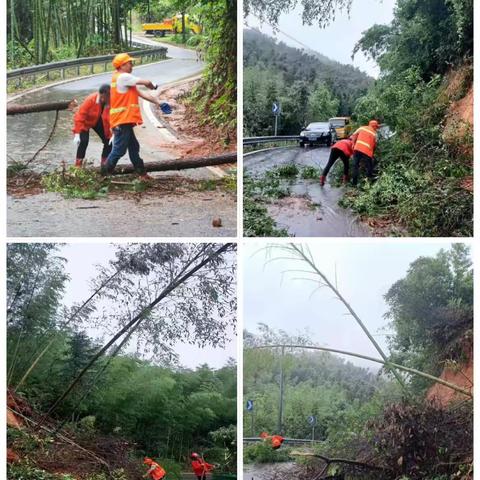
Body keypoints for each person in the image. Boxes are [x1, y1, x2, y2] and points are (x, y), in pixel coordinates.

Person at [103, 53, 171, 180]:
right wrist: (153, 85)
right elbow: (146, 82)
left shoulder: (123, 79)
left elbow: (142, 94)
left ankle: (142, 174)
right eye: (129, 63)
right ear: (122, 65)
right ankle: (104, 175)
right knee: (118, 151)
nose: (132, 65)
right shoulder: (123, 77)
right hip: (121, 121)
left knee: (134, 147)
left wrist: (159, 103)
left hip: (124, 120)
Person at [72, 84, 111, 168]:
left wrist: (113, 131)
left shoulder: (109, 100)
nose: (104, 100)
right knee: (84, 141)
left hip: (97, 120)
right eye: (102, 98)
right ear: (100, 94)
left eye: (107, 98)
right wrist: (77, 134)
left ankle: (104, 165)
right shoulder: (90, 99)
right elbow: (80, 116)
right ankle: (78, 166)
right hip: (85, 122)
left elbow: (110, 116)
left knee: (108, 141)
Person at [350, 120, 379, 186]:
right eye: (376, 127)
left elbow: (354, 135)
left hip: (357, 149)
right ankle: (368, 182)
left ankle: (354, 184)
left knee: (355, 166)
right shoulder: (375, 134)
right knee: (370, 166)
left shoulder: (362, 128)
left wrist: (353, 144)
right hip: (367, 151)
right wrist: (372, 153)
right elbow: (375, 145)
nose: (376, 128)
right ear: (374, 126)